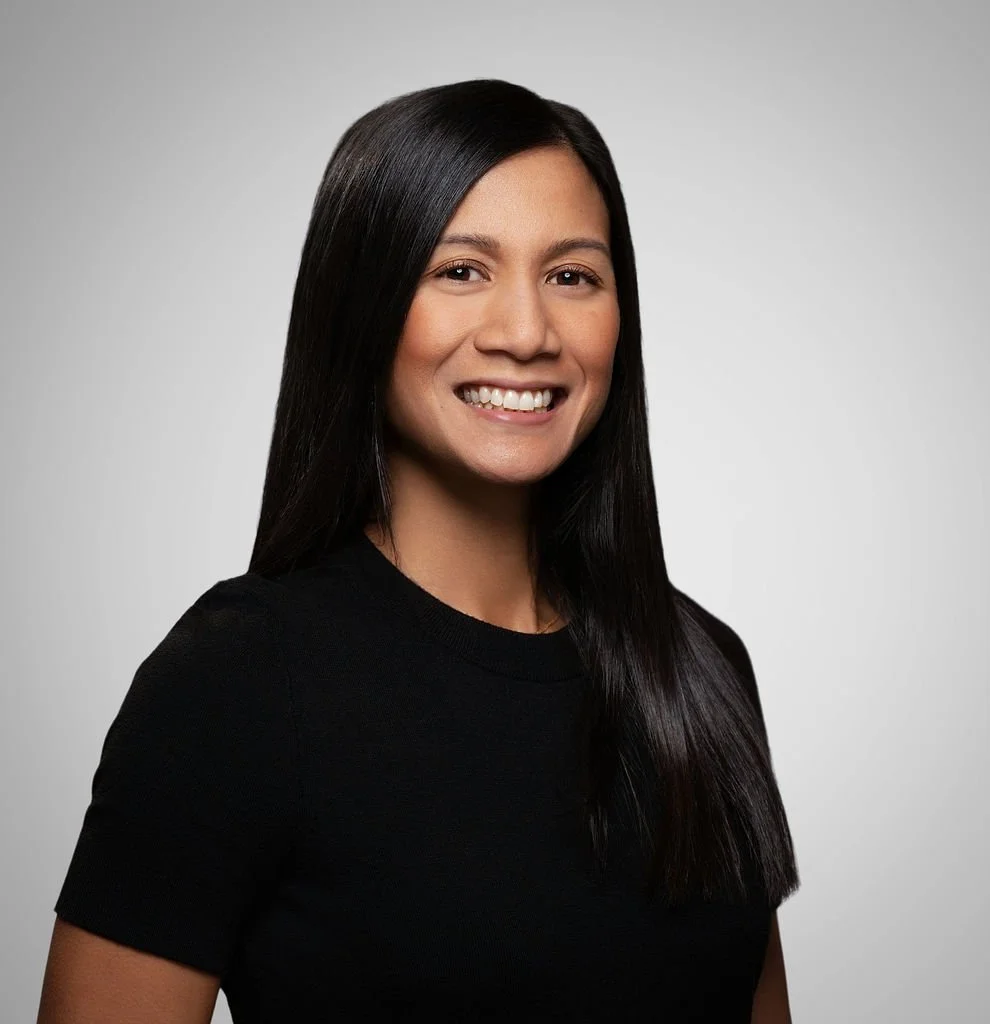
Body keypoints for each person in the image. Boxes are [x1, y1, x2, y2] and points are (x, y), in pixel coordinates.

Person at [38, 78, 800, 1023]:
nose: (527, 333)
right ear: (362, 308)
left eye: (573, 276)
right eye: (460, 271)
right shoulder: (239, 679)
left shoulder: (702, 667)